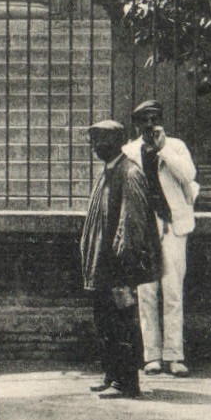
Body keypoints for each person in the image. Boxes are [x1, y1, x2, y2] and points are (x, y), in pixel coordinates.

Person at [79, 118, 160, 399]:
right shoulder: (110, 171)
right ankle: (112, 374)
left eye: (98, 141)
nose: (94, 147)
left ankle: (127, 383)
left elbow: (133, 224)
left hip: (118, 269)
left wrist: (124, 269)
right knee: (106, 323)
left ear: (113, 143)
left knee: (122, 323)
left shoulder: (129, 173)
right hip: (105, 268)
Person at [123, 99, 199, 378]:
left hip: (172, 226)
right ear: (136, 124)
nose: (150, 125)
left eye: (155, 118)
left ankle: (174, 355)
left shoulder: (175, 147)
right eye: (144, 120)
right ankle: (151, 355)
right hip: (145, 227)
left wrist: (164, 150)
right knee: (146, 291)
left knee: (173, 290)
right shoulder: (128, 152)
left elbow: (189, 175)